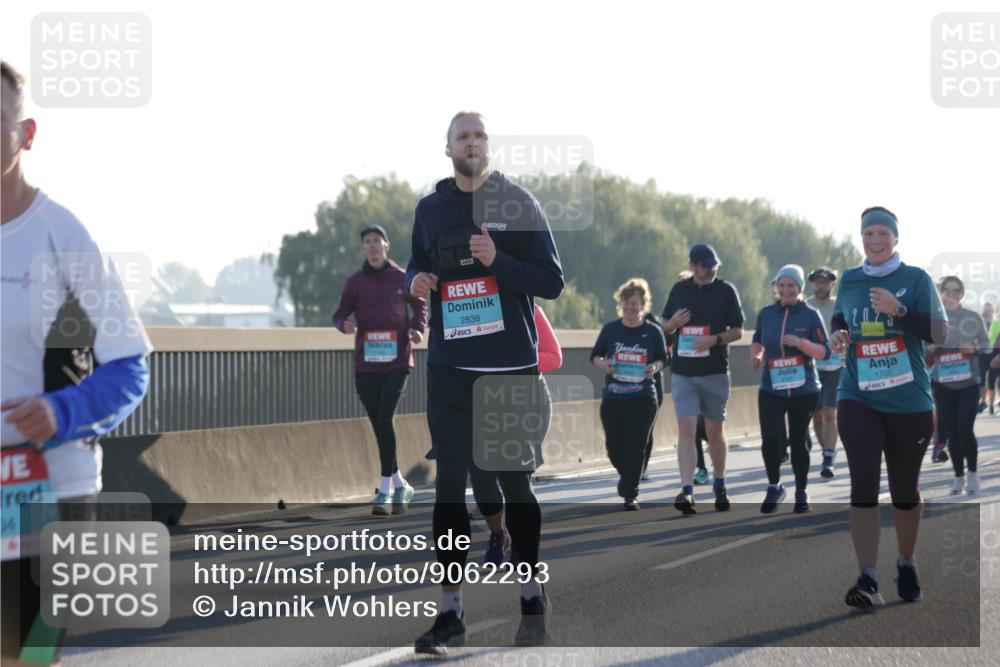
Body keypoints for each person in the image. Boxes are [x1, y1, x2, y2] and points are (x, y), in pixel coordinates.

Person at [1, 61, 153, 665]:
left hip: (46, 489)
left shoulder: (63, 234)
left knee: (22, 657)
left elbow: (130, 365)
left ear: (27, 133)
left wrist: (61, 410)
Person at [407, 112, 563, 654]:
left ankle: (530, 593)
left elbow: (553, 281)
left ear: (488, 146)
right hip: (450, 370)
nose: (470, 143)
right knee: (449, 489)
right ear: (447, 148)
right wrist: (416, 279)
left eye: (478, 136)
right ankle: (449, 612)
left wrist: (499, 262)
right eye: (461, 136)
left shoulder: (517, 203)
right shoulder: (430, 209)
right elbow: (413, 264)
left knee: (516, 487)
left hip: (507, 368)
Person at [829, 206, 947, 608]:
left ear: (895, 239)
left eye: (882, 234)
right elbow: (840, 319)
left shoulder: (914, 279)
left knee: (903, 490)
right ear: (861, 238)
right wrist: (839, 335)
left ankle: (906, 561)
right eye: (868, 234)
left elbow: (940, 332)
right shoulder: (850, 278)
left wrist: (899, 311)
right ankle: (867, 577)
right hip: (857, 392)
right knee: (863, 481)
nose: (875, 241)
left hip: (908, 398)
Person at [332, 224, 426, 515]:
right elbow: (339, 314)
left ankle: (384, 491)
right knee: (380, 423)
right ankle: (401, 484)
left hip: (397, 360)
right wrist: (343, 325)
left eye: (377, 241)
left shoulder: (401, 278)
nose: (372, 246)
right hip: (366, 363)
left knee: (385, 417)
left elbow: (420, 306)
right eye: (367, 242)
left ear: (387, 246)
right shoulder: (355, 282)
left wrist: (417, 328)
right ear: (363, 248)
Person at [661, 244, 745, 514]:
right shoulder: (680, 290)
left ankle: (719, 483)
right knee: (686, 430)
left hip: (715, 372)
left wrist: (715, 339)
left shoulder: (726, 291)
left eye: (713, 265)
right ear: (693, 265)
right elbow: (663, 324)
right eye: (705, 265)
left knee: (714, 432)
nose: (710, 269)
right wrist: (672, 323)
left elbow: (738, 331)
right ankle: (687, 491)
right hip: (684, 373)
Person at [479, 303, 560, 565]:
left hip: (529, 402)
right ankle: (498, 534)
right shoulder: (474, 311)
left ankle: (520, 541)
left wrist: (516, 360)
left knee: (517, 478)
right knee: (485, 477)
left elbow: (554, 356)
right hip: (486, 402)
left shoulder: (530, 309)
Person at [750, 265, 830, 514]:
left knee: (797, 441)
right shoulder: (766, 314)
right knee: (771, 438)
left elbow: (825, 351)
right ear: (776, 287)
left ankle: (801, 491)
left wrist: (801, 343)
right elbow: (757, 341)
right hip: (771, 388)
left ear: (799, 289)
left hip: (803, 390)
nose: (786, 290)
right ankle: (774, 486)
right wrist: (758, 355)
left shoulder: (810, 315)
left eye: (791, 286)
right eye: (782, 285)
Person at [591, 278, 667, 510]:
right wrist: (604, 365)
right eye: (626, 303)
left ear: (643, 305)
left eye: (635, 303)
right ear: (620, 304)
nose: (630, 307)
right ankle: (627, 477)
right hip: (614, 396)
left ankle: (630, 493)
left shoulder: (653, 332)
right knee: (614, 447)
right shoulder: (610, 330)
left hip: (643, 397)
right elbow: (595, 355)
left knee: (635, 445)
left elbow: (664, 358)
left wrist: (654, 367)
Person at [928, 276, 989, 495]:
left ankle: (972, 473)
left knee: (965, 428)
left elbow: (986, 344)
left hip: (968, 383)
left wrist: (974, 349)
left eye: (956, 291)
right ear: (941, 293)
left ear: (962, 294)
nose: (952, 295)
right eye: (947, 291)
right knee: (952, 432)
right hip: (942, 384)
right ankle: (958, 477)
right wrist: (932, 347)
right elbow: (922, 348)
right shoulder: (933, 319)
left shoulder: (972, 317)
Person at [806, 267, 842, 477]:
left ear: (832, 284)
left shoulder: (839, 306)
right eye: (816, 282)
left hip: (836, 366)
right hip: (812, 367)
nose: (820, 286)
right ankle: (826, 449)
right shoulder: (806, 306)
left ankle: (828, 456)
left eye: (824, 282)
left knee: (830, 412)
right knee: (817, 417)